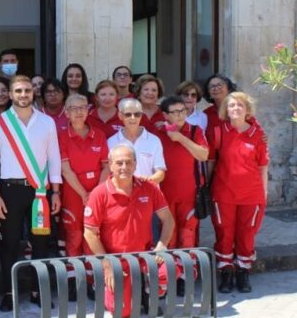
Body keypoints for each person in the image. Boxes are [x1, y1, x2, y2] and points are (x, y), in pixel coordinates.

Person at [0, 75, 62, 311]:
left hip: (40, 192)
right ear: (10, 94)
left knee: (40, 243)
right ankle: (10, 293)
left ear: (33, 93)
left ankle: (38, 291)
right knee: (8, 244)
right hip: (9, 191)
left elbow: (54, 157)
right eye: (18, 91)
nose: (23, 95)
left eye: (27, 90)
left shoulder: (46, 122)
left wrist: (56, 191)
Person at [83, 143, 176, 317]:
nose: (124, 167)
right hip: (115, 259)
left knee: (170, 269)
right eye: (119, 163)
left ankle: (147, 290)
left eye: (128, 162)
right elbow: (89, 233)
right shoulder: (99, 193)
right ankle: (119, 289)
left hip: (145, 254)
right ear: (110, 165)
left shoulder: (149, 188)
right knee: (122, 311)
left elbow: (168, 220)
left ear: (135, 163)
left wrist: (162, 246)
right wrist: (107, 264)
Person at [208, 92, 269, 294]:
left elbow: (262, 166)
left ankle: (243, 271)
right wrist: (207, 187)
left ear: (247, 109)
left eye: (240, 105)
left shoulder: (258, 134)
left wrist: (264, 193)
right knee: (224, 233)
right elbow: (211, 162)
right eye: (232, 105)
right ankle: (225, 271)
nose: (235, 108)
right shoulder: (219, 132)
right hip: (223, 192)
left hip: (251, 194)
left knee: (246, 234)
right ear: (226, 109)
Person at [58, 94, 108, 299]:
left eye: (82, 107)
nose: (78, 112)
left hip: (97, 193)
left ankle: (91, 280)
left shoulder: (99, 135)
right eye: (73, 108)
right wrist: (84, 194)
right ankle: (74, 281)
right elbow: (66, 170)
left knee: (93, 236)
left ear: (88, 110)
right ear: (66, 112)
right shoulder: (61, 137)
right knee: (74, 237)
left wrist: (95, 194)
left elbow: (106, 166)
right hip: (73, 194)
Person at [156, 97, 209, 253]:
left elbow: (203, 155)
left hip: (190, 193)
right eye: (175, 112)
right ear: (165, 115)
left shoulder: (195, 130)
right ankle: (170, 273)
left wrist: (180, 138)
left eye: (183, 111)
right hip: (165, 194)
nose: (180, 115)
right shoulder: (157, 133)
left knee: (187, 234)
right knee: (167, 235)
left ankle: (188, 273)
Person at [106, 98, 166, 184]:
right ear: (120, 116)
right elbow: (109, 172)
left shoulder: (154, 140)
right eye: (128, 114)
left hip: (148, 193)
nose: (133, 118)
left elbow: (160, 173)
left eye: (137, 114)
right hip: (122, 194)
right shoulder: (111, 142)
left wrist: (145, 183)